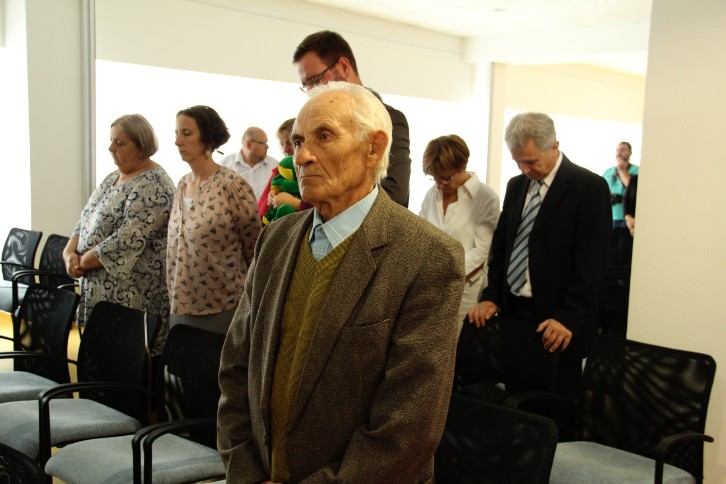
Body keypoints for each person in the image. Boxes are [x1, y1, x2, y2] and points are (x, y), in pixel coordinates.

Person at [217, 82, 465, 483]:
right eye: (298, 141)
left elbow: (406, 428)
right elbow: (235, 369)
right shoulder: (276, 239)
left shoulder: (428, 256)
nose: (302, 156)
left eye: (324, 136)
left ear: (374, 148)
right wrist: (245, 473)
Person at [467, 112, 611, 399]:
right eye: (518, 161)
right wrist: (492, 295)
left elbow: (592, 263)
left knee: (553, 407)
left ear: (554, 147)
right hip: (514, 315)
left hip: (557, 320)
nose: (525, 169)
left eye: (531, 161)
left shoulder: (589, 188)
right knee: (516, 400)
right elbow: (503, 246)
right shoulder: (516, 185)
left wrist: (569, 316)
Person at [63, 114, 174, 352]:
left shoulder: (155, 183)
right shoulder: (113, 177)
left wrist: (83, 261)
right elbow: (85, 218)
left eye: (119, 143)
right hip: (100, 293)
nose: (111, 148)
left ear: (141, 145)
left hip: (132, 297)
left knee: (126, 362)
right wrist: (69, 252)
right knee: (99, 358)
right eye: (111, 140)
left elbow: (127, 239)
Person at [167, 105, 261, 335]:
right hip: (180, 303)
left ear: (207, 138)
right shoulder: (182, 184)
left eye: (186, 133)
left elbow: (255, 248)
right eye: (177, 133)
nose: (178, 141)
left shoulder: (231, 185)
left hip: (222, 307)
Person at [292, 30, 412, 207]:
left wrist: (301, 206)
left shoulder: (390, 119)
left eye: (315, 79)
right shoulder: (306, 122)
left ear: (343, 66)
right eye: (306, 85)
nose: (311, 91)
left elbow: (394, 194)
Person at [419, 134, 500, 330]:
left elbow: (481, 252)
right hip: (430, 287)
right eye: (435, 178)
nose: (439, 185)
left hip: (466, 290)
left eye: (444, 178)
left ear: (460, 168)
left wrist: (444, 273)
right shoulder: (432, 194)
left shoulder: (485, 197)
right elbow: (421, 234)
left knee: (457, 342)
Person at [258, 118, 314, 218]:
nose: (285, 150)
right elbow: (263, 209)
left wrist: (296, 203)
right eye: (281, 144)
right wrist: (272, 196)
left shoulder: (314, 169)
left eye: (290, 143)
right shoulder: (279, 171)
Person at [603, 141, 638, 265]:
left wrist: (622, 170)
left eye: (623, 150)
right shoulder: (608, 172)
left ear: (630, 153)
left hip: (627, 221)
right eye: (617, 150)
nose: (619, 153)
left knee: (623, 255)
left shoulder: (637, 171)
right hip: (610, 219)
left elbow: (633, 188)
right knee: (608, 255)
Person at [219, 126, 277, 201]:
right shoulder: (225, 166)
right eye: (263, 143)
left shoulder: (274, 166)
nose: (267, 147)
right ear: (248, 144)